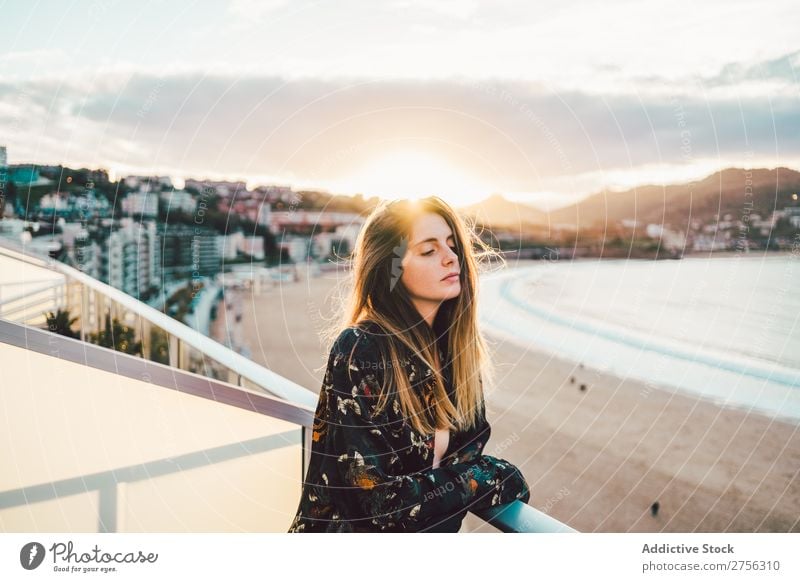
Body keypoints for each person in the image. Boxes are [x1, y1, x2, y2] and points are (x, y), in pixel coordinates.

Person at [287, 196, 530, 533]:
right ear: (392, 269)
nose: (450, 258)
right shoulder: (361, 349)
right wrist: (484, 476)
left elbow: (459, 465)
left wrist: (472, 477)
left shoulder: (455, 359)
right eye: (429, 251)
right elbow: (378, 505)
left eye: (451, 245)